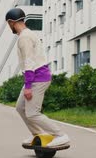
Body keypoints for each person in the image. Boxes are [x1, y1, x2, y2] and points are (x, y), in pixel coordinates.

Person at [5, 8, 70, 147]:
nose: (8, 27)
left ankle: (61, 135)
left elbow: (29, 62)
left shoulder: (24, 37)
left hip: (38, 78)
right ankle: (38, 134)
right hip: (36, 76)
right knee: (20, 107)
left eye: (8, 24)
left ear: (11, 22)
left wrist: (28, 86)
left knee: (33, 113)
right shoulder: (27, 34)